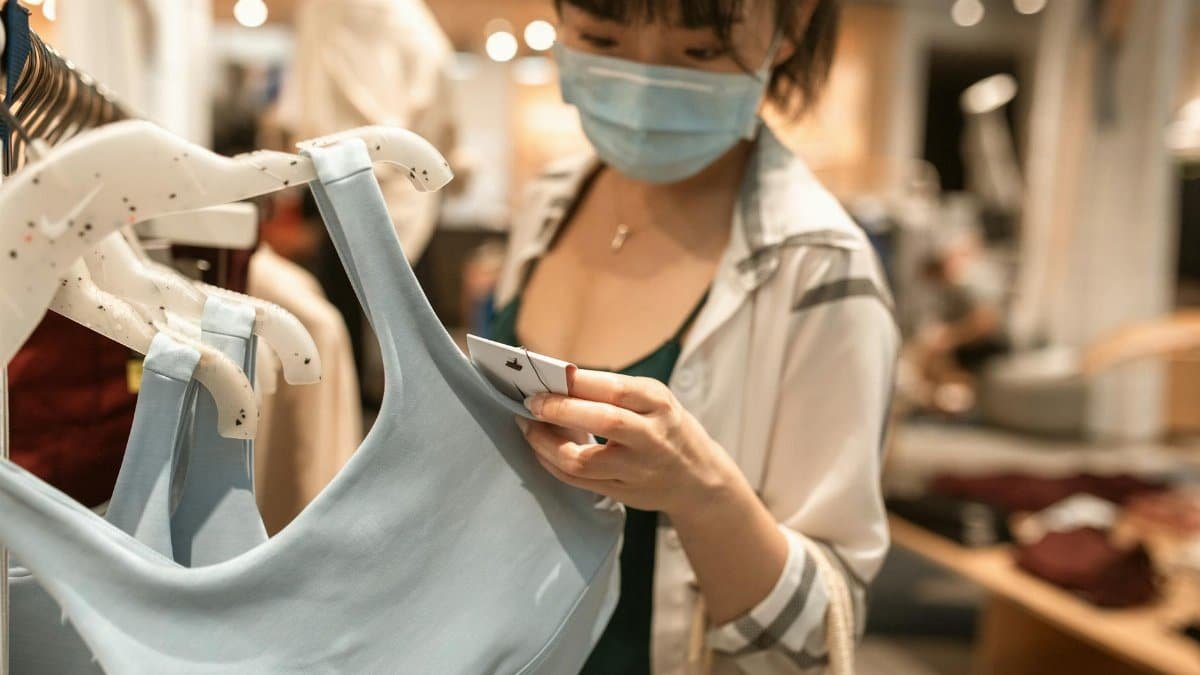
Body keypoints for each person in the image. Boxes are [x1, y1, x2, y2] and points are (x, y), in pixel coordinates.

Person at [490, 1, 898, 672]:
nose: (644, 80)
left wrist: (700, 493)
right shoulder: (550, 201)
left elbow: (824, 635)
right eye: (601, 37)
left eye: (699, 52)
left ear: (789, 30)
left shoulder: (818, 268)